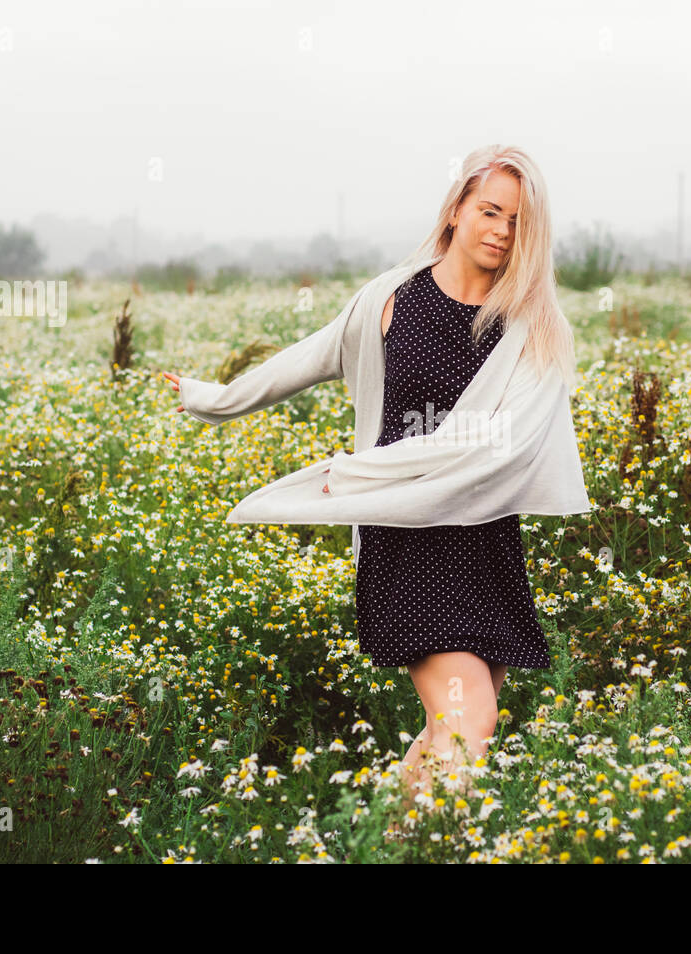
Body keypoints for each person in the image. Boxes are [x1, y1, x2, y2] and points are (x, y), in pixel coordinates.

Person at [163, 145, 586, 838]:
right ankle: (409, 851)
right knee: (469, 720)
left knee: (451, 730)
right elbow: (309, 357)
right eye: (490, 211)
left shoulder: (531, 325)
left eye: (518, 222)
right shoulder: (390, 302)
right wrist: (217, 399)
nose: (502, 232)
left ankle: (387, 846)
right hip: (402, 535)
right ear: (456, 210)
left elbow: (509, 440)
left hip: (485, 542)